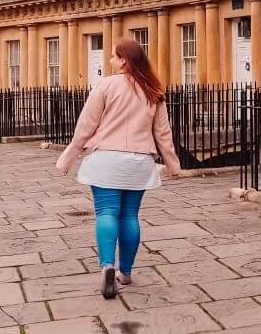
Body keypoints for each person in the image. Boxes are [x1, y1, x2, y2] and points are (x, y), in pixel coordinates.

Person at [56, 39, 181, 299]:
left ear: (124, 60)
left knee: (106, 212)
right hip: (138, 160)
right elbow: (163, 133)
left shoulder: (106, 85)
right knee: (130, 216)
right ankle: (125, 271)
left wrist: (68, 157)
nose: (110, 61)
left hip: (106, 160)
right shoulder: (153, 90)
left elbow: (85, 126)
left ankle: (106, 265)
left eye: (113, 56)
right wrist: (172, 164)